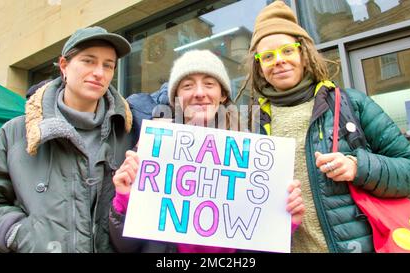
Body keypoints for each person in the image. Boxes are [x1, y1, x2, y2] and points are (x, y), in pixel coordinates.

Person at [243, 1, 410, 253]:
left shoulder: (352, 104)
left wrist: (358, 166)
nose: (278, 61)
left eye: (287, 50)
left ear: (303, 54)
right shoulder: (250, 125)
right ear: (259, 67)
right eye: (267, 56)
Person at [109, 49, 305, 253]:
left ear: (223, 95)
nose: (200, 93)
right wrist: (124, 199)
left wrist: (285, 222)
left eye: (209, 84)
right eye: (187, 85)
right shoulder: (151, 150)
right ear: (176, 96)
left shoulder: (253, 155)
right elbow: (124, 247)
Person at [0, 26, 134, 253]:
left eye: (108, 65)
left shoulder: (128, 134)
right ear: (64, 65)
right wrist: (15, 233)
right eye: (88, 61)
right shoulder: (15, 133)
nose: (99, 73)